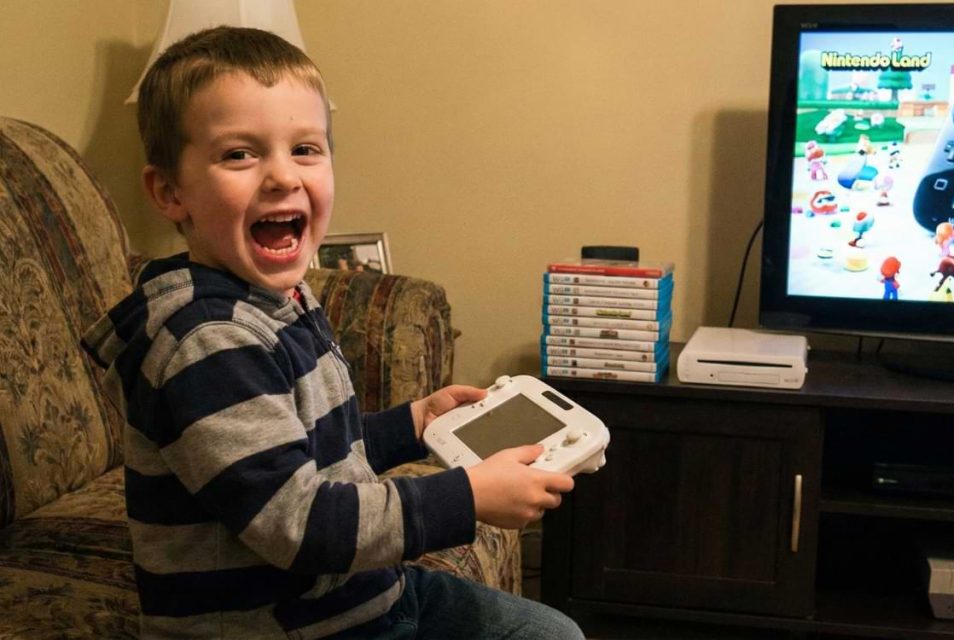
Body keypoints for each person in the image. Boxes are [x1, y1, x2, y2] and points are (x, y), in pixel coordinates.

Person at [82, 26, 583, 640]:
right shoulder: (207, 342)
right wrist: (466, 498)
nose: (282, 177)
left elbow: (307, 452)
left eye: (305, 149)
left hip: (365, 595)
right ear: (170, 191)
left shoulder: (280, 297)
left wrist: (415, 423)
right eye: (239, 154)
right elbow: (297, 522)